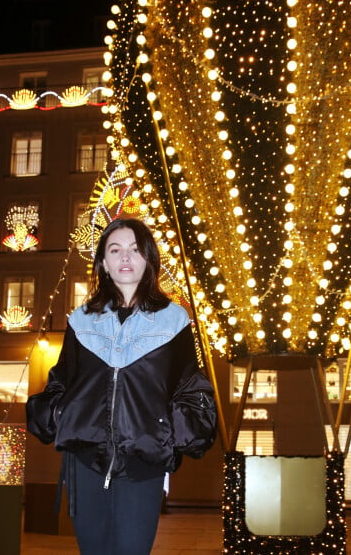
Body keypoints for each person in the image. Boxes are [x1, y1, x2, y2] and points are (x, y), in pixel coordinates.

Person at [26, 217, 217, 555]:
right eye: (115, 250)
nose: (125, 257)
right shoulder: (81, 319)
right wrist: (63, 414)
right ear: (103, 262)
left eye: (134, 249)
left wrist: (166, 431)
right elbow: (62, 380)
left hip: (143, 461)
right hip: (85, 459)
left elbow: (189, 387)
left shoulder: (174, 320)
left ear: (149, 259)